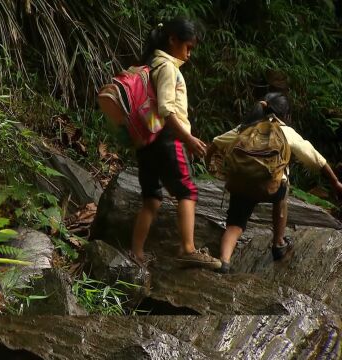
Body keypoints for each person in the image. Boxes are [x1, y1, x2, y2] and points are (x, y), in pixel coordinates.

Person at [206, 92, 342, 273]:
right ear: (286, 115)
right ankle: (278, 244)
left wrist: (209, 165)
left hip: (241, 185)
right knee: (282, 190)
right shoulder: (286, 132)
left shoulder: (245, 127)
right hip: (270, 188)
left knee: (235, 225)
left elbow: (215, 143)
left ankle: (224, 260)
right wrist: (336, 184)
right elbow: (317, 161)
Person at [130, 18, 221, 269]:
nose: (189, 54)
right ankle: (188, 248)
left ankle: (136, 253)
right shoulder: (168, 68)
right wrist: (188, 138)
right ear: (173, 40)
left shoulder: (148, 64)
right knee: (187, 191)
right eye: (187, 47)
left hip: (146, 140)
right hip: (167, 139)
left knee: (152, 198)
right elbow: (167, 111)